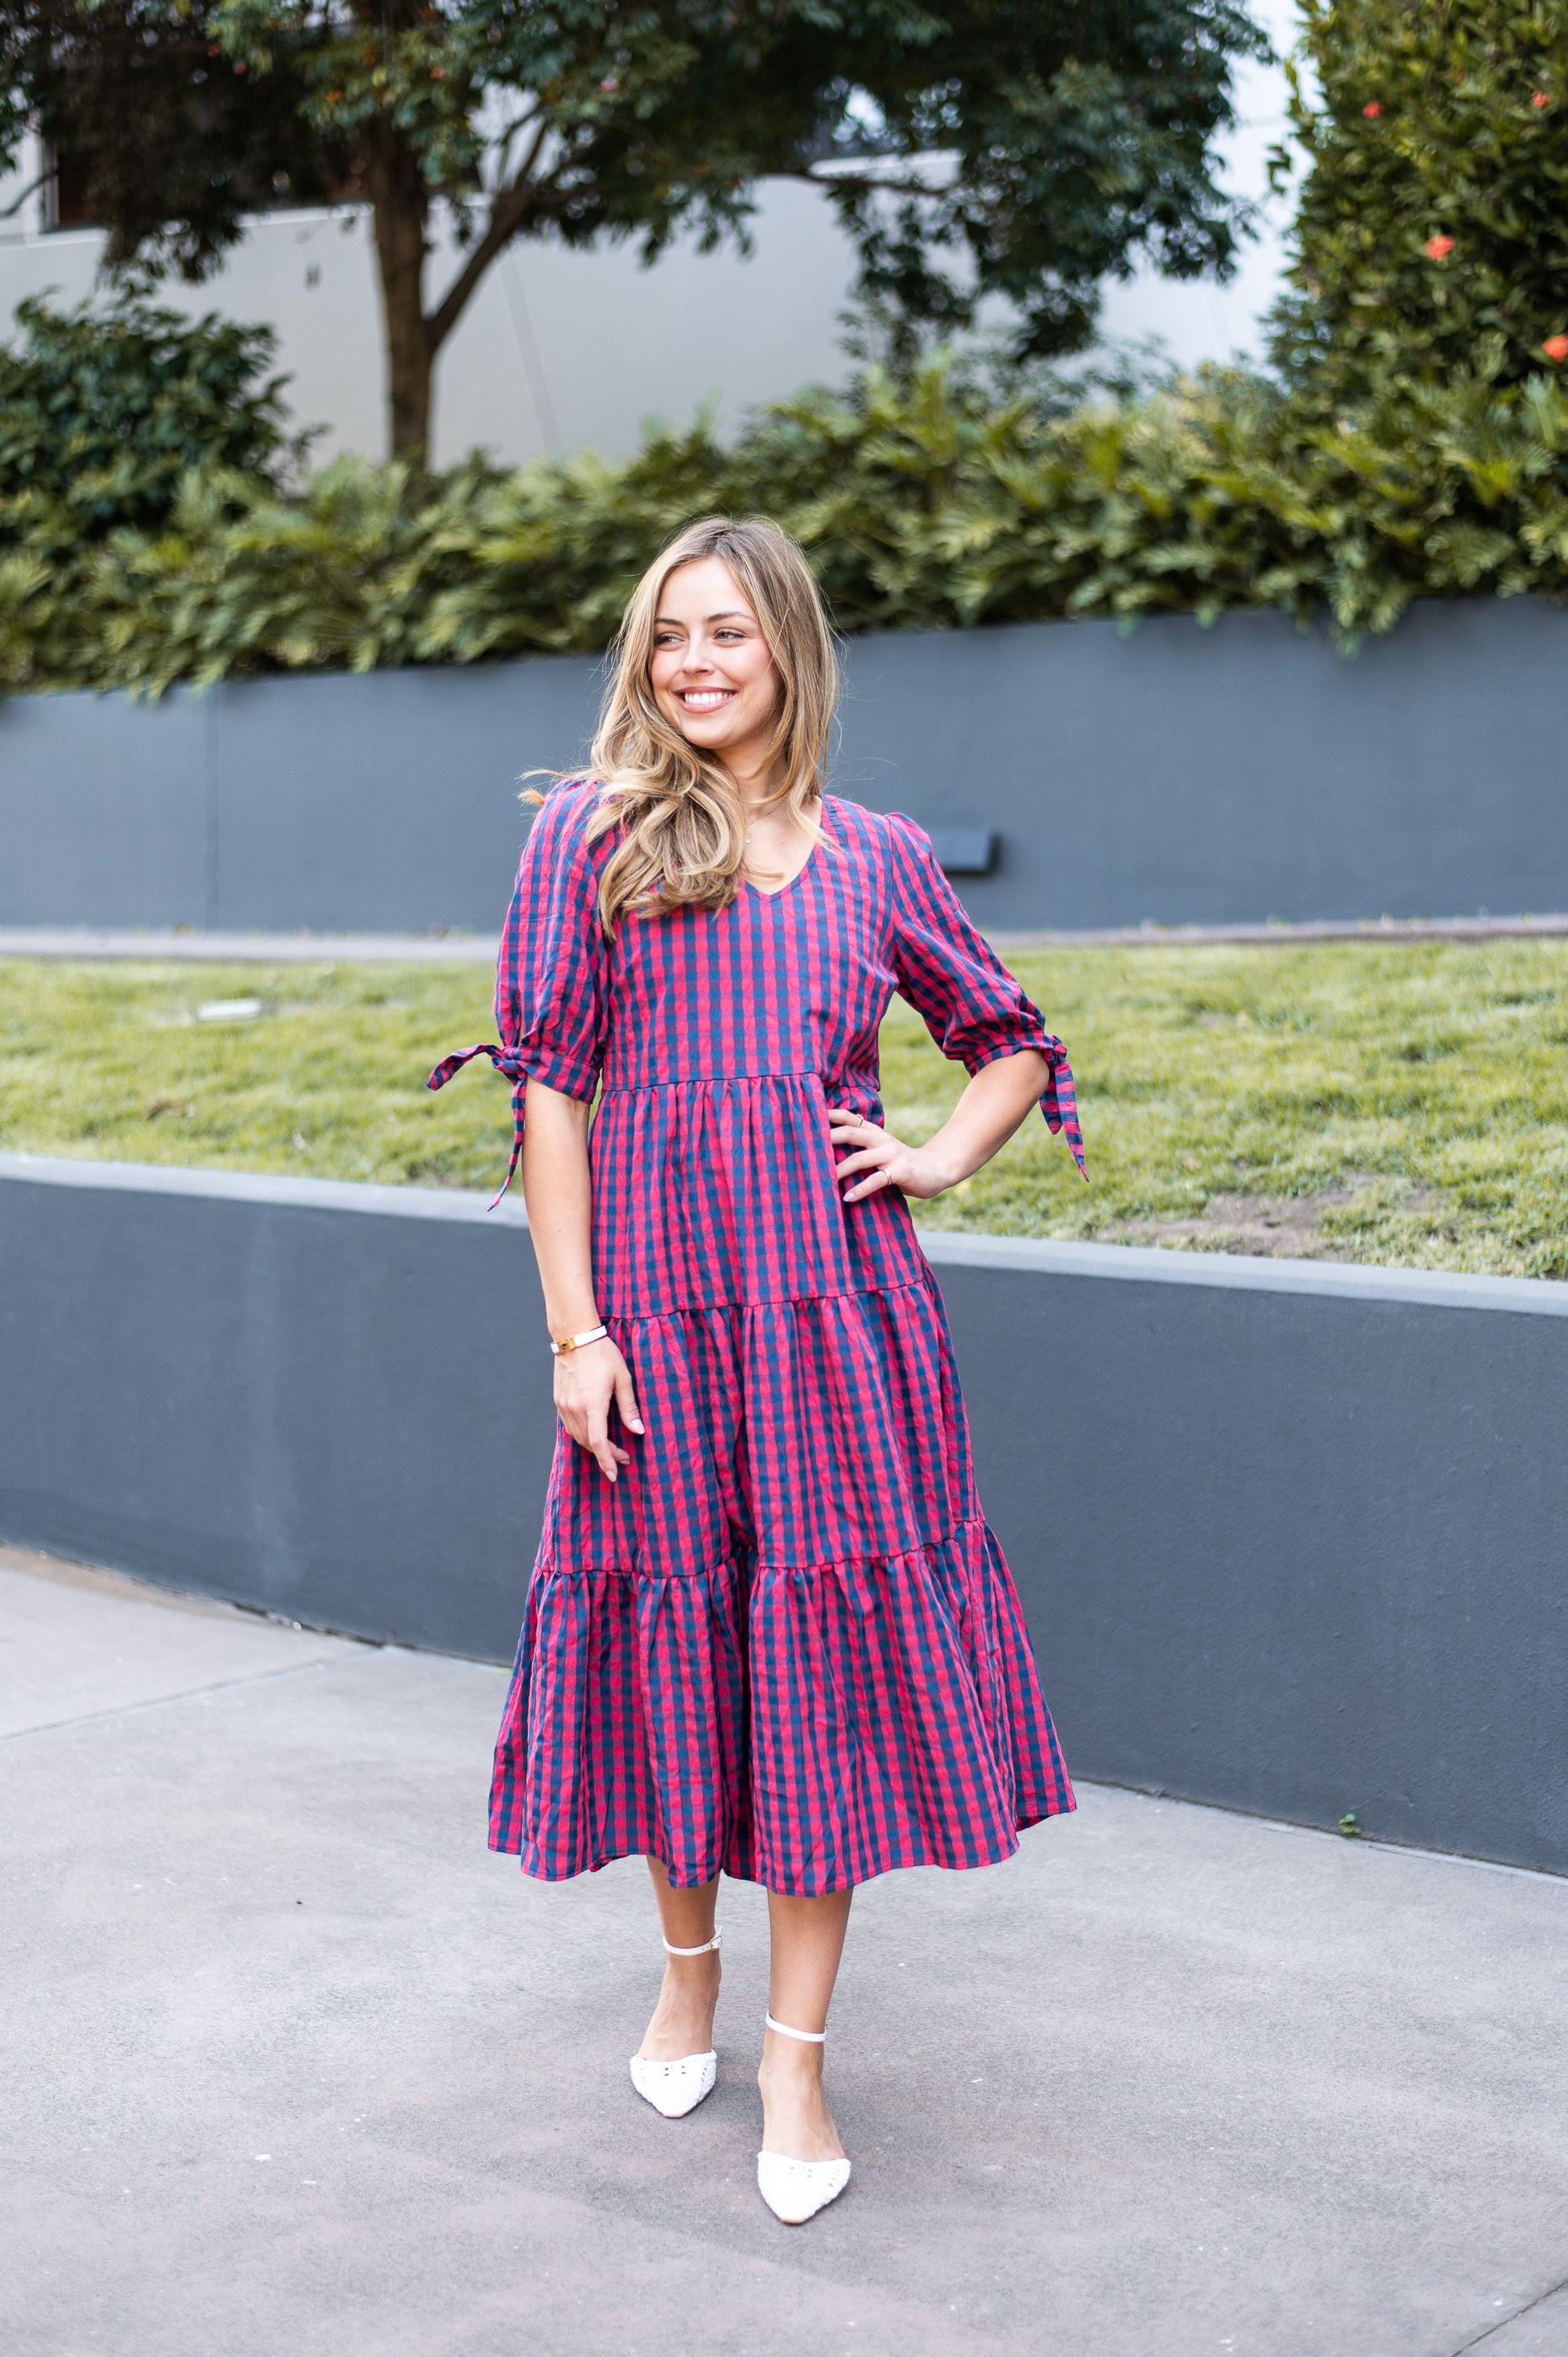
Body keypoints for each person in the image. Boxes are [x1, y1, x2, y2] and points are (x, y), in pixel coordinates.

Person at [430, 515, 1084, 2226]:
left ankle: (795, 2055)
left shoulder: (876, 857)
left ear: (789, 645)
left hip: (837, 1330)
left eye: (726, 632)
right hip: (653, 1322)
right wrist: (575, 1331)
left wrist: (936, 1156)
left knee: (817, 1690)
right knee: (674, 1649)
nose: (695, 663)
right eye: (666, 639)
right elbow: (549, 1091)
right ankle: (687, 1973)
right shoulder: (592, 839)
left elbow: (1011, 1039)